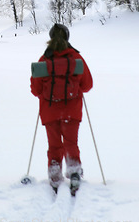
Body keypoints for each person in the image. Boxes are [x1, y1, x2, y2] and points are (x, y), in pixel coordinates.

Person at [30, 23, 93, 194]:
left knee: (54, 145)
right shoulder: (75, 57)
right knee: (71, 143)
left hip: (50, 111)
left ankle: (55, 175)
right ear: (67, 37)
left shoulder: (44, 59)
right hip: (72, 111)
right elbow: (87, 85)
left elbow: (35, 89)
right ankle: (74, 172)